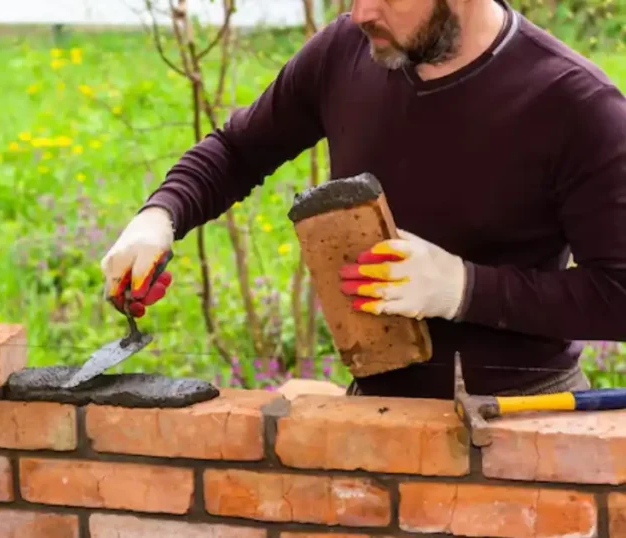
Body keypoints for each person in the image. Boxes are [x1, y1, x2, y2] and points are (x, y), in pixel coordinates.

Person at [99, 0, 626, 399]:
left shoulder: (575, 103)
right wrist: (159, 216)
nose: (360, 13)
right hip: (374, 411)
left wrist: (463, 288)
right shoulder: (343, 52)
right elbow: (239, 149)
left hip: (526, 418)